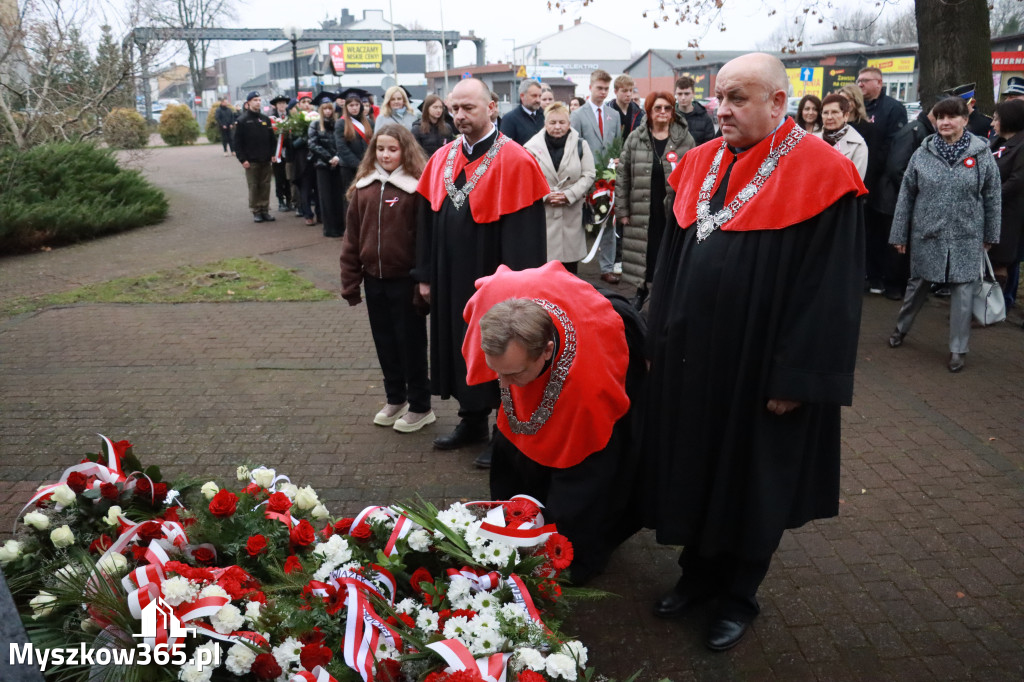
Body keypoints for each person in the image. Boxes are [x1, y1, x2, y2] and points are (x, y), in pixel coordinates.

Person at [645, 53, 866, 652]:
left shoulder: (824, 172)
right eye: (720, 97)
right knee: (696, 465)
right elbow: (667, 263)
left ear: (778, 103)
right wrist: (654, 335)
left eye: (737, 98)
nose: (721, 110)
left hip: (760, 363)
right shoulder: (697, 162)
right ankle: (696, 575)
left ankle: (738, 595)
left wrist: (796, 377)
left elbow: (832, 292)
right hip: (694, 359)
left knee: (751, 478)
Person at [462, 262, 646, 585]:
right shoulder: (492, 304)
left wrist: (556, 537)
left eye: (513, 373)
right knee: (510, 433)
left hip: (588, 347)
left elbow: (581, 470)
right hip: (532, 310)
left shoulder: (590, 386)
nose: (503, 384)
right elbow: (506, 377)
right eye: (496, 371)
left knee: (579, 472)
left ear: (547, 352)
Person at [413, 78, 549, 464]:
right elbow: (424, 220)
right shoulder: (442, 157)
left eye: (467, 108)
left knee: (500, 348)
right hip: (449, 277)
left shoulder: (516, 160)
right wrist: (424, 274)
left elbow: (526, 238)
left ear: (491, 107)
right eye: (454, 108)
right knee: (458, 347)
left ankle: (503, 434)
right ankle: (470, 420)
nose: (459, 116)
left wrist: (516, 289)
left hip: (495, 282)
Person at [887, 96, 1001, 373]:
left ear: (965, 120)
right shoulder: (922, 154)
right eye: (940, 117)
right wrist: (899, 234)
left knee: (963, 294)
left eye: (952, 117)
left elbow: (992, 196)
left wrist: (991, 233)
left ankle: (958, 350)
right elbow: (906, 197)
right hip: (928, 233)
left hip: (966, 234)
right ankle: (901, 329)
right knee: (917, 288)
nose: (945, 122)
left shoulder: (981, 154)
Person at [341, 124, 435, 433]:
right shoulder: (363, 188)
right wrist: (351, 281)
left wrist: (424, 278)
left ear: (404, 151)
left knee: (411, 343)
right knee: (385, 343)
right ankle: (396, 398)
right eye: (380, 149)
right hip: (374, 281)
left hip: (405, 281)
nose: (386, 154)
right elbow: (352, 239)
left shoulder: (416, 189)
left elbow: (426, 238)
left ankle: (421, 405)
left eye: (392, 149)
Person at [616, 91, 694, 308]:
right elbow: (623, 175)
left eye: (667, 108)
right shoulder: (635, 137)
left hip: (671, 208)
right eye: (657, 108)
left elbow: (694, 176)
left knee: (667, 250)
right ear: (649, 112)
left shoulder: (684, 138)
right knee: (644, 251)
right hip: (642, 206)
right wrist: (622, 210)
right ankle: (641, 291)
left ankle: (665, 294)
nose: (663, 112)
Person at [876, 95, 942, 300]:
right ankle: (894, 286)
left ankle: (900, 286)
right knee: (897, 246)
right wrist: (918, 192)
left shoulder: (922, 130)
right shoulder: (915, 131)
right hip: (894, 199)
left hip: (897, 197)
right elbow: (897, 167)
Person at [523, 102, 596, 274]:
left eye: (562, 122)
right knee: (543, 270)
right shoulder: (531, 147)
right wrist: (545, 195)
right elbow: (526, 178)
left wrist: (569, 194)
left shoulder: (581, 145)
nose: (557, 127)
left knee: (569, 271)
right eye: (552, 122)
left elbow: (589, 174)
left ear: (569, 123)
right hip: (543, 216)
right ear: (545, 124)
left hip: (571, 214)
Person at [857, 67, 905, 295]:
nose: (860, 85)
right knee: (865, 230)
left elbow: (893, 144)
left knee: (880, 230)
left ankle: (883, 277)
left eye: (865, 81)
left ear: (879, 82)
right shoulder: (860, 107)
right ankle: (867, 273)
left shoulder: (893, 109)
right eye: (858, 81)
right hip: (862, 176)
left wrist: (874, 167)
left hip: (882, 179)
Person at [570, 69, 621, 284]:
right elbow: (574, 147)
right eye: (599, 88)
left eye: (606, 89)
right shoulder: (578, 115)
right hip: (586, 176)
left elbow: (617, 144)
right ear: (590, 88)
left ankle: (606, 267)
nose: (603, 92)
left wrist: (616, 164)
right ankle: (577, 267)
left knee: (609, 222)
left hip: (608, 178)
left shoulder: (614, 115)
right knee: (582, 222)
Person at [988, 99, 1024, 306]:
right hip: (992, 211)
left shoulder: (1021, 146)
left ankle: (992, 308)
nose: (993, 124)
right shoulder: (997, 142)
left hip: (1008, 215)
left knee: (1000, 260)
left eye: (996, 119)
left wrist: (990, 199)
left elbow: (1017, 181)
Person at [233, 91, 278, 224]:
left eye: (259, 100)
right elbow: (237, 143)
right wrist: (243, 159)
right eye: (255, 100)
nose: (258, 102)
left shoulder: (265, 119)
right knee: (254, 186)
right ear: (248, 103)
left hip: (265, 159)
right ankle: (256, 211)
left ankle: (265, 209)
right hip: (251, 160)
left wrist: (273, 154)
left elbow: (272, 139)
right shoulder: (242, 120)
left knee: (265, 185)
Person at [307, 93, 345, 238]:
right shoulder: (315, 124)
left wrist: (337, 156)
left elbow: (342, 142)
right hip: (322, 165)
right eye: (325, 109)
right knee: (326, 197)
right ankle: (329, 228)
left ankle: (340, 226)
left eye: (330, 108)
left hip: (337, 164)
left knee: (338, 196)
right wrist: (329, 157)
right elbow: (312, 144)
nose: (328, 111)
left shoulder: (338, 124)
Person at [335, 91, 374, 209]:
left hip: (367, 166)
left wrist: (367, 163)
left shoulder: (369, 122)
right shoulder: (341, 123)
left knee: (366, 198)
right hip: (348, 167)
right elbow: (342, 147)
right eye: (351, 105)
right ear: (346, 107)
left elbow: (373, 145)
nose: (354, 108)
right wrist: (358, 164)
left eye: (357, 105)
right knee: (350, 199)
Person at [816, 93, 868, 179]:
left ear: (846, 116)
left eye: (835, 112)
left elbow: (855, 184)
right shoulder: (813, 140)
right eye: (825, 113)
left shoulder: (858, 145)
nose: (829, 117)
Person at [268, 95, 293, 213]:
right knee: (279, 178)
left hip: (289, 152)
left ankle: (289, 200)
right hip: (277, 153)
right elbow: (269, 137)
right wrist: (272, 153)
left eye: (284, 103)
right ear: (276, 105)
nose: (282, 106)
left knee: (288, 177)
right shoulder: (271, 119)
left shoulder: (291, 117)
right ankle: (280, 201)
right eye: (279, 104)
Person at [674, 76, 717, 146]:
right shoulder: (670, 117)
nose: (683, 97)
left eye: (686, 94)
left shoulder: (705, 118)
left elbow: (709, 145)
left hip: (698, 156)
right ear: (675, 94)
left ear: (693, 93)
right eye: (680, 94)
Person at [499, 79, 544, 146]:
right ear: (522, 96)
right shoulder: (509, 119)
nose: (538, 100)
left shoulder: (545, 116)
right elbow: (505, 147)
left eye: (540, 96)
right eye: (534, 96)